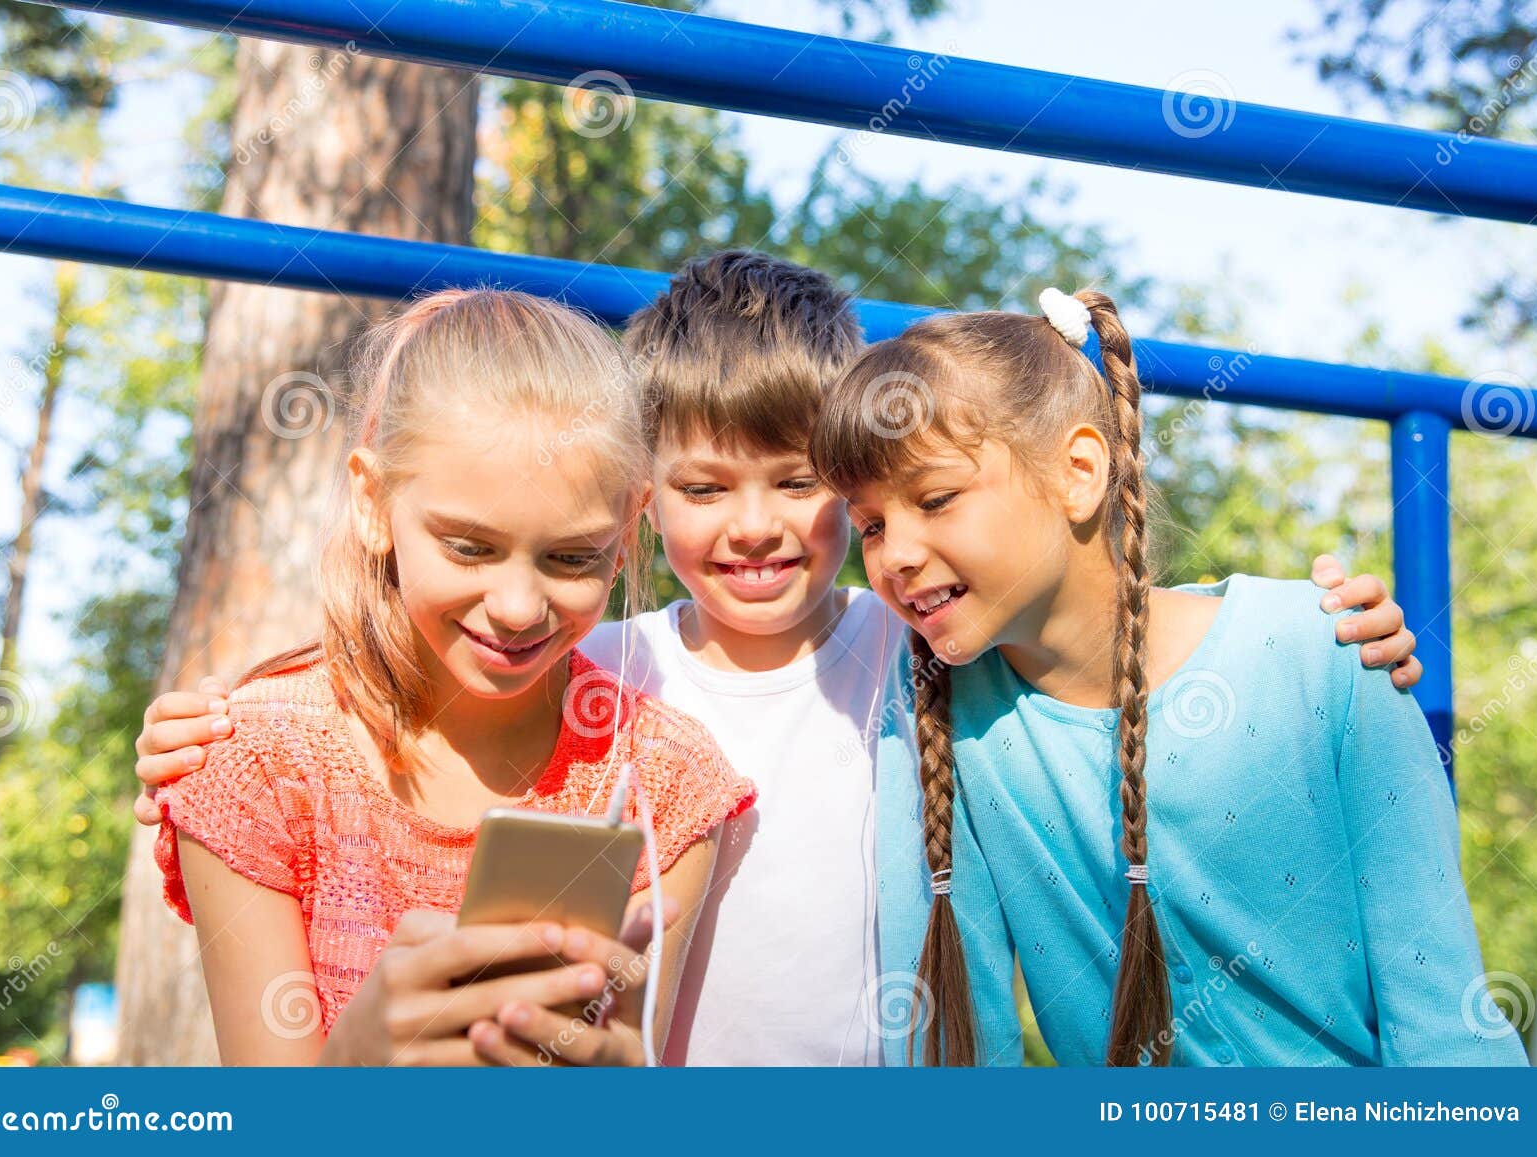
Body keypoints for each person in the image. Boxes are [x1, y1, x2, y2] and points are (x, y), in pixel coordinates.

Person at [136, 255, 1421, 1066]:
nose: (750, 524)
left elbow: (1086, 622)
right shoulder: (596, 667)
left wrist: (1314, 626)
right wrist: (228, 721)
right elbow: (427, 660)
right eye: (700, 485)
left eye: (802, 482)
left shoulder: (921, 646)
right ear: (641, 505)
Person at [808, 287, 1525, 1066]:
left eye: (936, 499)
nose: (895, 554)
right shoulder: (932, 719)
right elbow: (957, 1056)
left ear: (1079, 472)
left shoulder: (1326, 654)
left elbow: (1444, 1023)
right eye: (871, 526)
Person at [152, 287, 754, 1066]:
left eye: (573, 558)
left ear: (630, 524)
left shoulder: (662, 782)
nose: (515, 606)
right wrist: (359, 1061)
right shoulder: (257, 763)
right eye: (468, 547)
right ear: (373, 500)